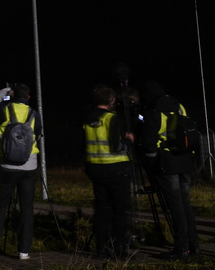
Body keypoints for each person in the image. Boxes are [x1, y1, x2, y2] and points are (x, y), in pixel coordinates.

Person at [138, 80, 200, 260]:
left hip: (167, 163)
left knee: (175, 206)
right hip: (185, 160)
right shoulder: (179, 106)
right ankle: (194, 246)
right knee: (185, 204)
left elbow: (149, 144)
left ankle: (181, 248)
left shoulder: (152, 112)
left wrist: (151, 162)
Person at [0, 83, 41, 261]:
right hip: (29, 167)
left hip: (6, 167)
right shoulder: (34, 114)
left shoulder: (3, 109)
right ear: (28, 97)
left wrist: (5, 91)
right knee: (27, 209)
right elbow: (37, 135)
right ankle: (24, 252)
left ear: (13, 95)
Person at [82, 84, 135, 261]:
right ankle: (119, 249)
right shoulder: (111, 118)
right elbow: (116, 147)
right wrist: (128, 141)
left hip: (96, 170)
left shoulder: (87, 118)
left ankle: (101, 249)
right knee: (120, 211)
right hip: (116, 170)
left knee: (102, 210)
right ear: (112, 101)